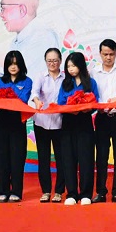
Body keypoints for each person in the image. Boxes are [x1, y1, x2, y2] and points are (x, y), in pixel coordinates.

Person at [90, 39, 116, 204]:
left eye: (111, 54)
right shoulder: (94, 71)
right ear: (100, 54)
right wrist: (99, 105)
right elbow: (92, 91)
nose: (108, 57)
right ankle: (100, 192)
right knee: (101, 156)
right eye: (105, 54)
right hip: (102, 118)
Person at [57, 52, 99, 206]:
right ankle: (72, 194)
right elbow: (60, 102)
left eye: (73, 66)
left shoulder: (91, 83)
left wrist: (88, 108)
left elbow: (96, 102)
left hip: (84, 122)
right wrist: (70, 108)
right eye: (68, 66)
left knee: (86, 158)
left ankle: (86, 193)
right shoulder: (65, 84)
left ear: (81, 65)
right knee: (69, 158)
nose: (71, 69)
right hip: (68, 123)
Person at [0, 0, 60, 82]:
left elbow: (27, 83)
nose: (1, 15)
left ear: (22, 10)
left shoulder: (42, 38)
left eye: (3, 8)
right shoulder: (17, 41)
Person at [0, 50, 32, 203]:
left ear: (21, 64)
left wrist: (7, 97)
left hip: (18, 121)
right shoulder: (0, 81)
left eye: (16, 63)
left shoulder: (27, 81)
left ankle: (16, 191)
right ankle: (2, 190)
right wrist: (7, 98)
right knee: (1, 156)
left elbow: (22, 100)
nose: (13, 67)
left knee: (17, 156)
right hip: (2, 121)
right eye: (10, 64)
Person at [31, 48, 66, 203]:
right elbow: (34, 92)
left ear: (60, 61)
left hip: (60, 123)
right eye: (49, 61)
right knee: (43, 158)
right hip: (41, 122)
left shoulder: (66, 78)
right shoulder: (40, 76)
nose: (52, 63)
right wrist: (37, 101)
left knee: (61, 158)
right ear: (45, 61)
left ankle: (59, 191)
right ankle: (45, 191)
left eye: (55, 60)